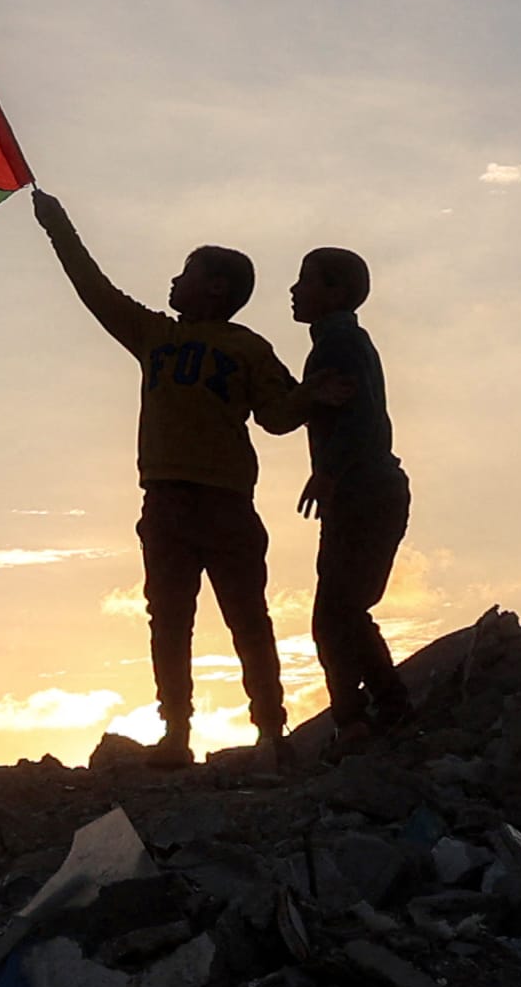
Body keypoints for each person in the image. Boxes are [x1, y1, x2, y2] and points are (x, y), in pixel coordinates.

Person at [33, 189, 319, 769]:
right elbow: (95, 290)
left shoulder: (247, 349)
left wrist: (316, 395)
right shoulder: (154, 336)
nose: (173, 281)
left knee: (247, 618)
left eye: (186, 273)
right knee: (169, 619)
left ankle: (270, 729)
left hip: (227, 503)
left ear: (215, 287)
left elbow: (278, 416)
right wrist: (57, 227)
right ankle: (176, 733)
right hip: (164, 501)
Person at [288, 247, 413, 753]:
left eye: (306, 280)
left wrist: (330, 472)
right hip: (371, 489)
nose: (294, 290)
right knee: (345, 611)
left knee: (335, 615)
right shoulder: (343, 342)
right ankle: (385, 711)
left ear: (335, 292)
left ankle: (360, 721)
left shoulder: (338, 342)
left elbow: (361, 419)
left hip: (364, 491)